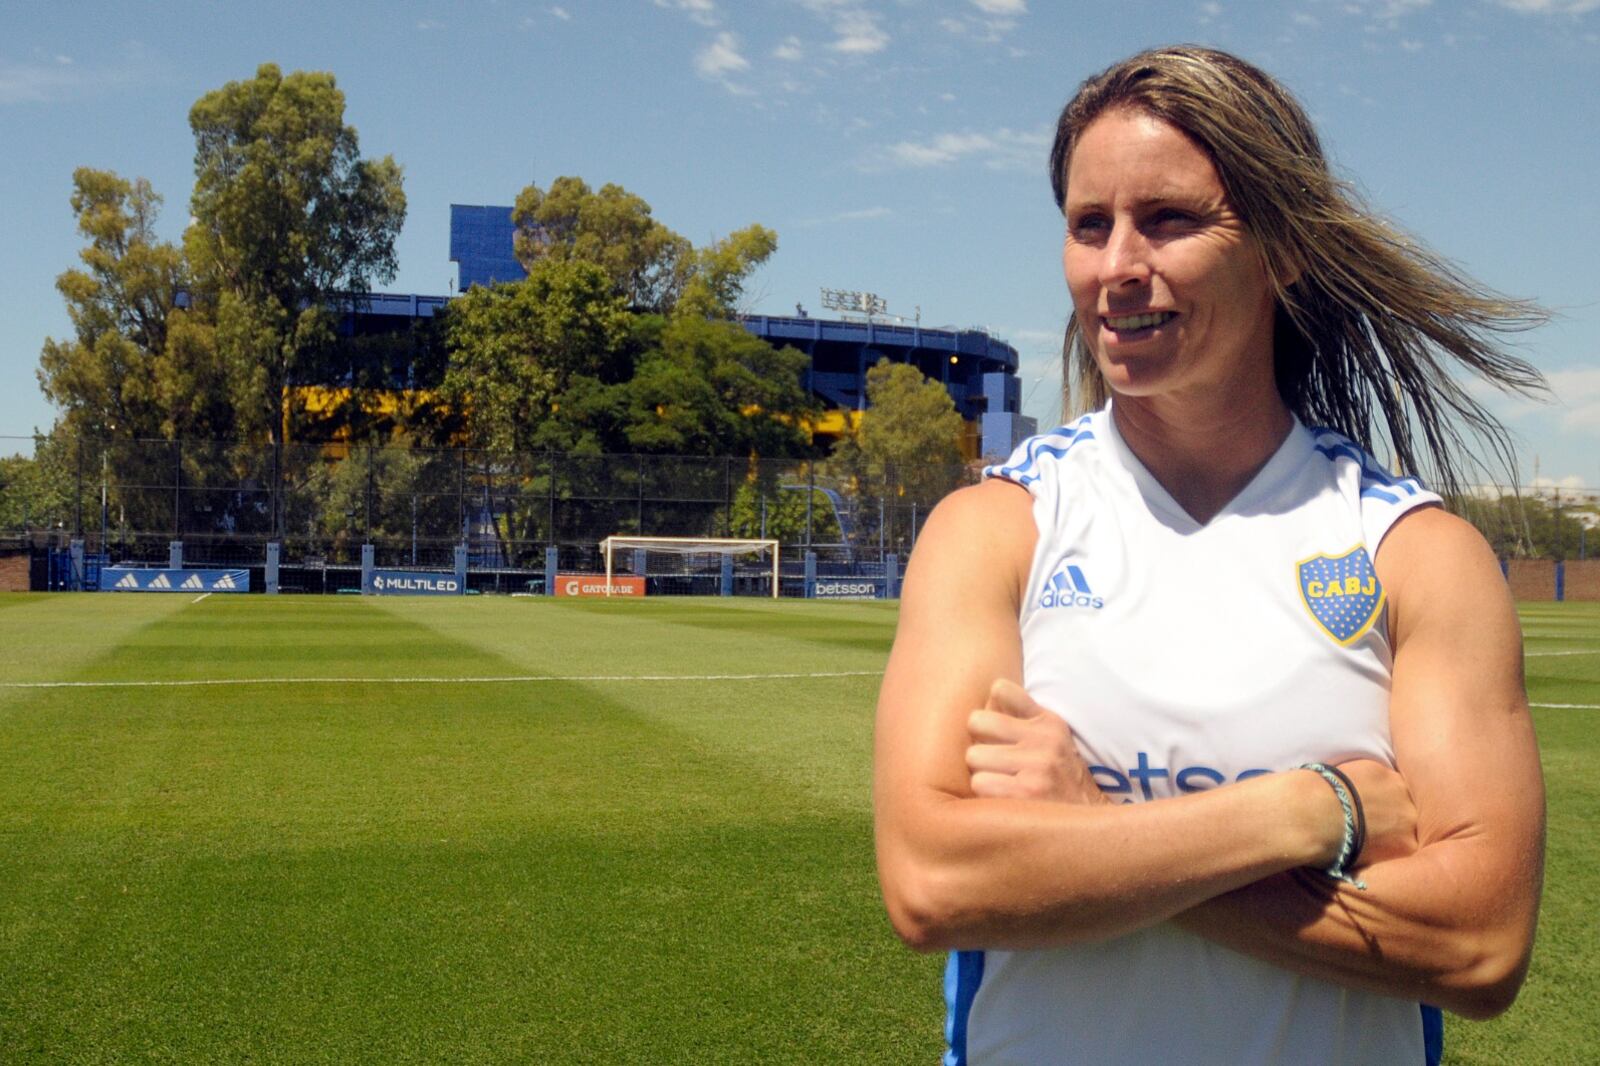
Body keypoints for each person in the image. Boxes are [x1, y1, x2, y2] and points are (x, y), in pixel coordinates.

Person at [873, 46, 1546, 1065]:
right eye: (1088, 225)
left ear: (1282, 250)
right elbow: (932, 881)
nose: (1115, 266)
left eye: (1169, 220)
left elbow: (1477, 945)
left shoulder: (1415, 554)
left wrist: (1089, 830)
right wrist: (1303, 811)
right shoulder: (997, 528)